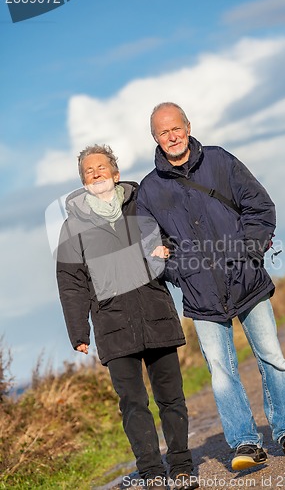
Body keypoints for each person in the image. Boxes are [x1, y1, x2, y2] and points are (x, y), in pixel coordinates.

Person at [136, 102, 285, 471]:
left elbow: (260, 207)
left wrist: (248, 252)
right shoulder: (149, 190)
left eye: (176, 128)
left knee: (273, 358)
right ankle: (245, 442)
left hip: (247, 280)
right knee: (221, 372)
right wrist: (180, 272)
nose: (172, 136)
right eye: (163, 132)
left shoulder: (219, 160)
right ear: (155, 138)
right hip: (200, 294)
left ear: (187, 126)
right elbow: (149, 250)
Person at [56, 144, 199, 490]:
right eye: (88, 171)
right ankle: (151, 472)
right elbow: (71, 282)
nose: (95, 173)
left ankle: (181, 466)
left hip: (155, 312)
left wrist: (168, 249)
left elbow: (173, 236)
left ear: (116, 174)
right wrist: (79, 331)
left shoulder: (142, 204)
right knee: (133, 404)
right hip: (112, 324)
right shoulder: (72, 226)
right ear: (83, 181)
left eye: (101, 167)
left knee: (171, 396)